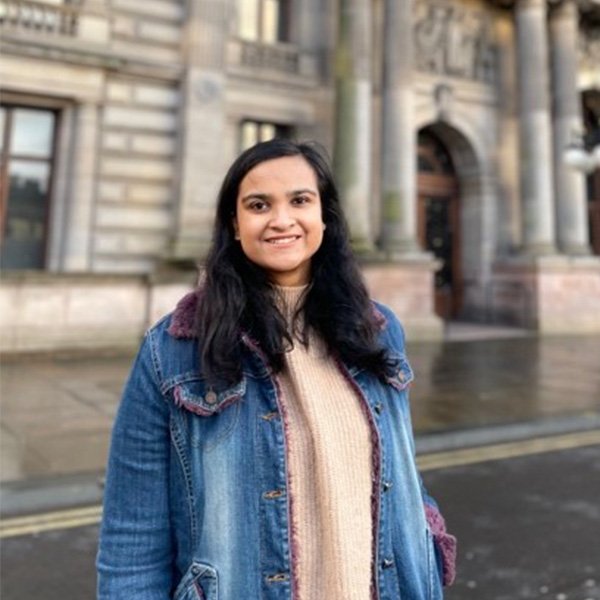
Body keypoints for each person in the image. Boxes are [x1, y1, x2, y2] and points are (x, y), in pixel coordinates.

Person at [96, 139, 456, 600]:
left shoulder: (378, 331)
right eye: (259, 205)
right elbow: (132, 540)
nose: (281, 220)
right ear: (235, 223)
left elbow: (400, 473)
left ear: (324, 215)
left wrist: (425, 542)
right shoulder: (172, 350)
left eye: (300, 200)